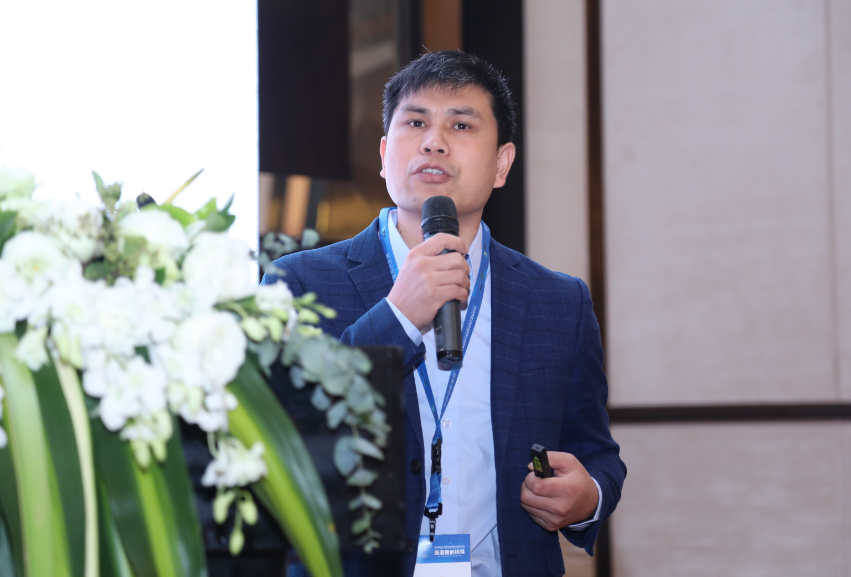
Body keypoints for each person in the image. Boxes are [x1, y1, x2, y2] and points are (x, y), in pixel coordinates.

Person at [265, 50, 626, 577]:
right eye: (415, 123)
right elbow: (279, 445)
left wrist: (588, 494)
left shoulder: (558, 301)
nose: (433, 141)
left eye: (460, 124)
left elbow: (596, 453)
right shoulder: (299, 284)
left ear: (501, 164)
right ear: (385, 154)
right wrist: (397, 317)